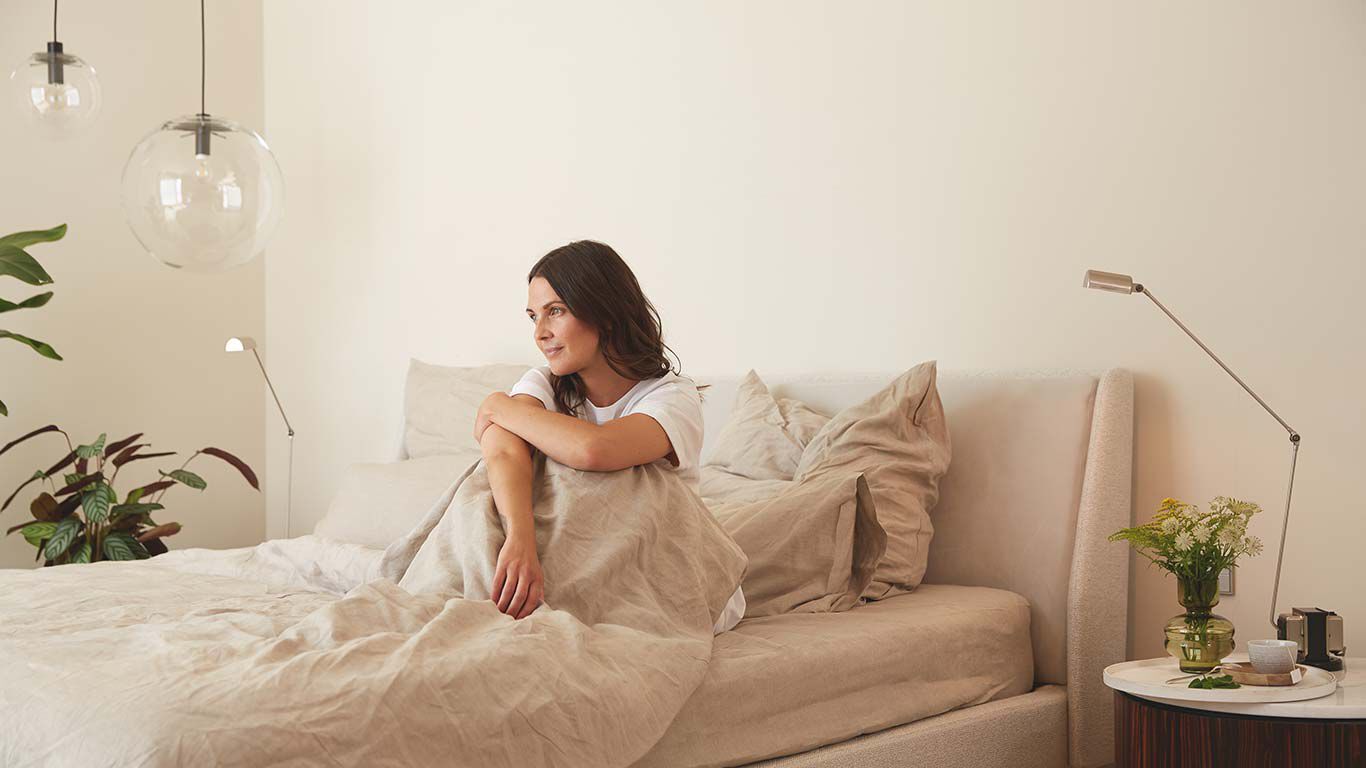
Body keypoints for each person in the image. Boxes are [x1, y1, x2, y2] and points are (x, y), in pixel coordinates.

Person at [472, 240, 745, 629]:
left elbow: (593, 450)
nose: (540, 333)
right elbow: (501, 452)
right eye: (533, 316)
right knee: (485, 491)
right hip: (571, 553)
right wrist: (520, 539)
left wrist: (499, 405)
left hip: (660, 564)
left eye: (556, 311)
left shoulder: (671, 397)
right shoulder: (544, 383)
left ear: (605, 313)